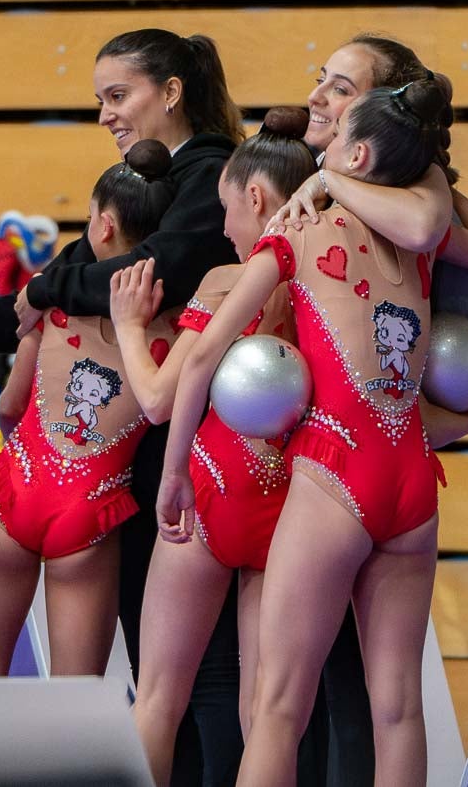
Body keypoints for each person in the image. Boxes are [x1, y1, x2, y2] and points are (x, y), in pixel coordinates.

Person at [0, 29, 247, 784]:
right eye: (99, 99)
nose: (104, 113)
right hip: (106, 485)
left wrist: (40, 297)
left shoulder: (207, 179)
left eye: (116, 95)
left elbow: (135, 281)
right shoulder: (146, 196)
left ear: (170, 91)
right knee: (139, 682)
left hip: (135, 476)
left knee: (184, 677)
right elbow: (41, 301)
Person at [160, 79, 454, 787]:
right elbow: (438, 204)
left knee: (277, 708)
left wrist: (173, 470)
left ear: (355, 152)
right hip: (410, 477)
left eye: (338, 134)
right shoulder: (425, 240)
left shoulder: (299, 230)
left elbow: (200, 356)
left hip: (335, 469)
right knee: (400, 712)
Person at [275, 34, 468, 782]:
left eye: (340, 87)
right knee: (333, 702)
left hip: (352, 462)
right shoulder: (294, 168)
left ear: (382, 115)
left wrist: (329, 179)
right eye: (320, 78)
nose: (319, 95)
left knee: (296, 702)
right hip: (345, 459)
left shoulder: (416, 188)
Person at [111, 108, 314, 786]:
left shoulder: (229, 281)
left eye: (228, 210)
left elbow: (161, 397)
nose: (225, 229)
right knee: (267, 714)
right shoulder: (332, 279)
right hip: (295, 500)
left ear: (254, 198)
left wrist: (129, 329)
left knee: (160, 699)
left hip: (212, 486)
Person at [0, 141, 177, 678]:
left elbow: (9, 406)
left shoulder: (51, 305)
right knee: (76, 695)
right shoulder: (173, 326)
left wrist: (25, 456)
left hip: (19, 487)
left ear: (101, 227)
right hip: (91, 505)